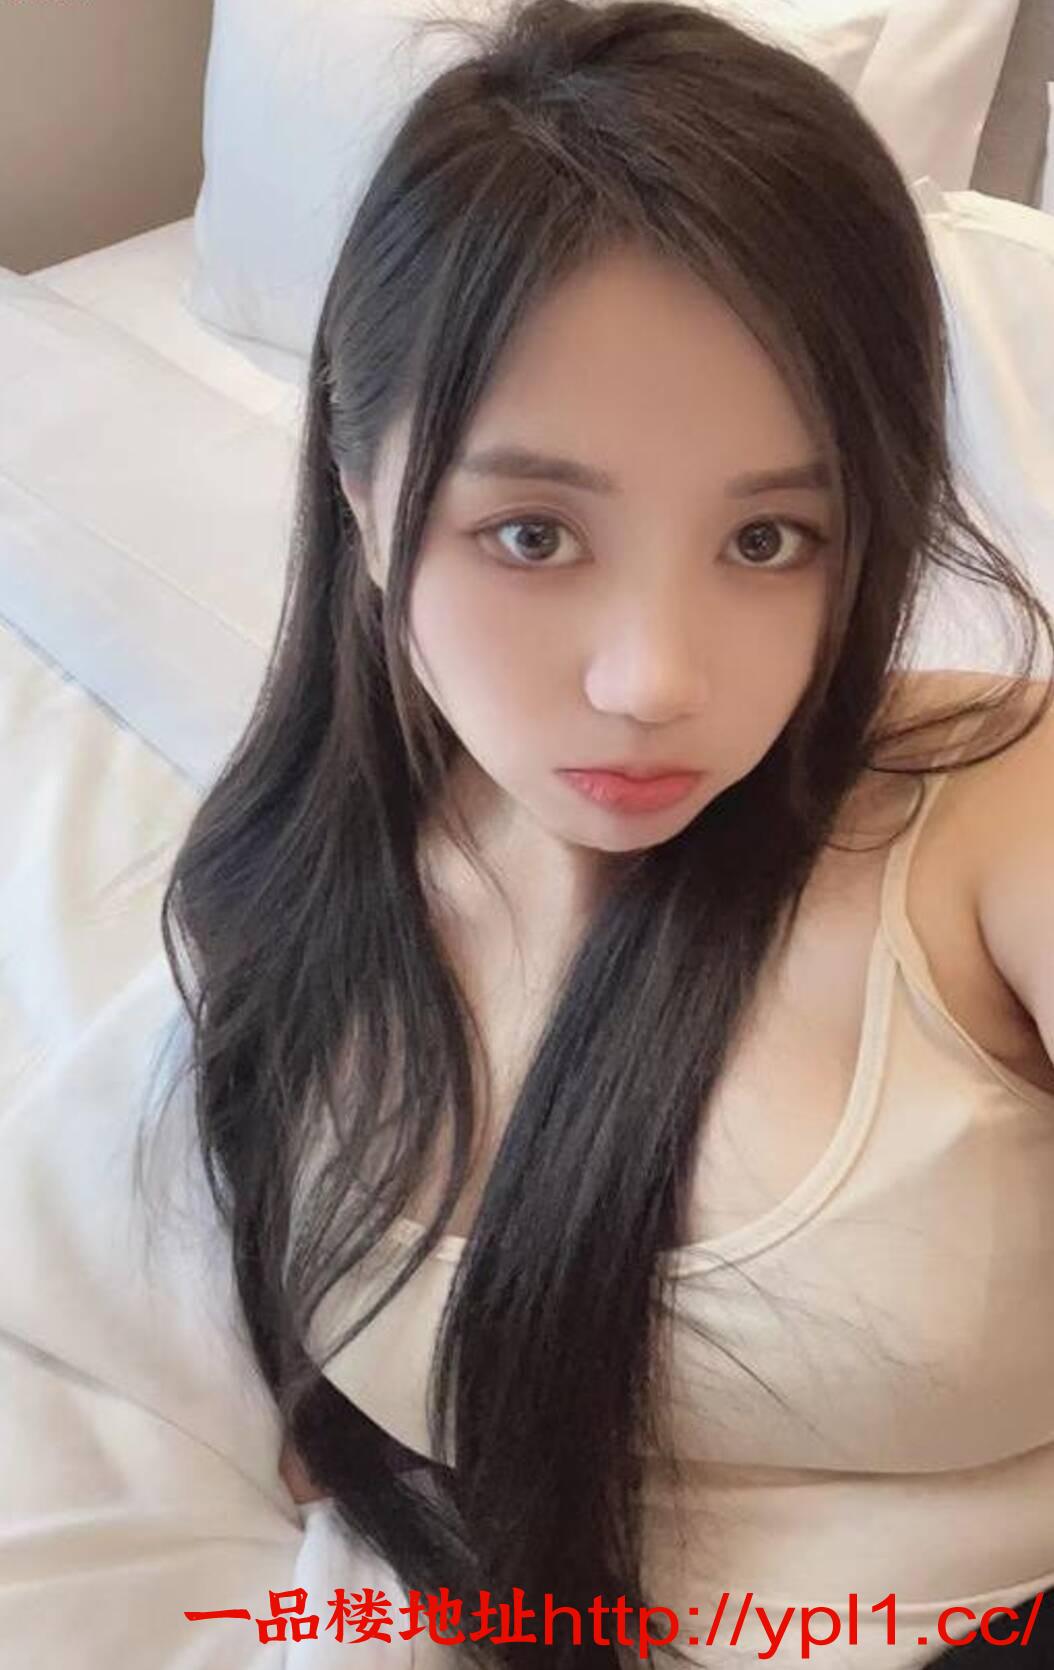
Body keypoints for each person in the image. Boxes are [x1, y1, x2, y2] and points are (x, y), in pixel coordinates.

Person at [5, 2, 1054, 1667]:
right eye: (532, 532)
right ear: (364, 499)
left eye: (769, 538)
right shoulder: (290, 890)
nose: (652, 681)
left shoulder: (993, 810)